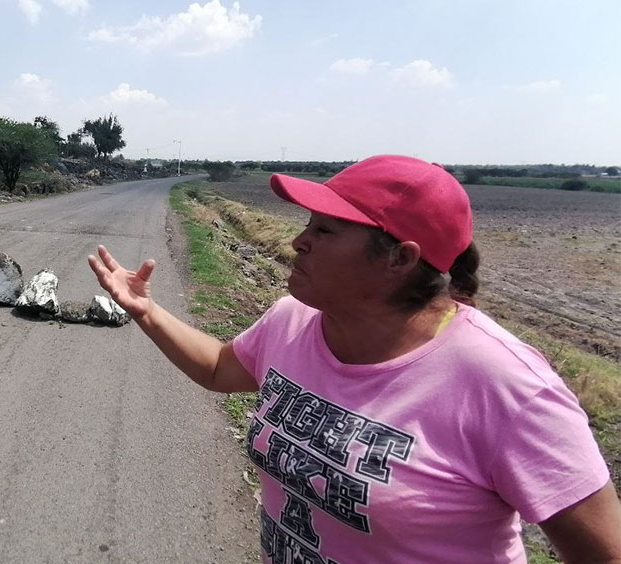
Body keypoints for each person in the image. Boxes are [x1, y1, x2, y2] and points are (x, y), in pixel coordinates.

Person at [88, 155, 621, 563]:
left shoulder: (506, 386)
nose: (298, 242)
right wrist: (146, 311)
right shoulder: (292, 321)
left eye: (325, 231)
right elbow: (219, 368)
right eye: (307, 225)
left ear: (400, 258)